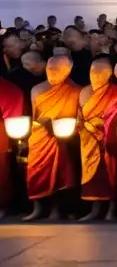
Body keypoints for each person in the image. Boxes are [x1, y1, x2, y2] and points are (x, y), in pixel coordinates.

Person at [24, 55, 81, 221]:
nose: (52, 72)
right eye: (49, 68)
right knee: (34, 173)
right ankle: (38, 207)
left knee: (61, 173)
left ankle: (58, 209)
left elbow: (79, 117)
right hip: (40, 137)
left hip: (63, 138)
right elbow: (35, 116)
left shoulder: (76, 90)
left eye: (57, 69)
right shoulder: (37, 89)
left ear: (68, 70)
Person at [78, 59, 117, 221]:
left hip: (107, 140)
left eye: (99, 72)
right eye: (92, 72)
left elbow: (114, 115)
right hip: (88, 141)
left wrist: (99, 129)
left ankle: (111, 209)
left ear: (109, 74)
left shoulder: (115, 91)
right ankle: (94, 208)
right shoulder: (84, 91)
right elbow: (79, 116)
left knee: (110, 173)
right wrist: (86, 126)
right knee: (91, 175)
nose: (95, 76)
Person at [0, 74, 25, 219]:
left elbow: (13, 116)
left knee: (2, 174)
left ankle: (3, 205)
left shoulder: (7, 89)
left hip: (2, 136)